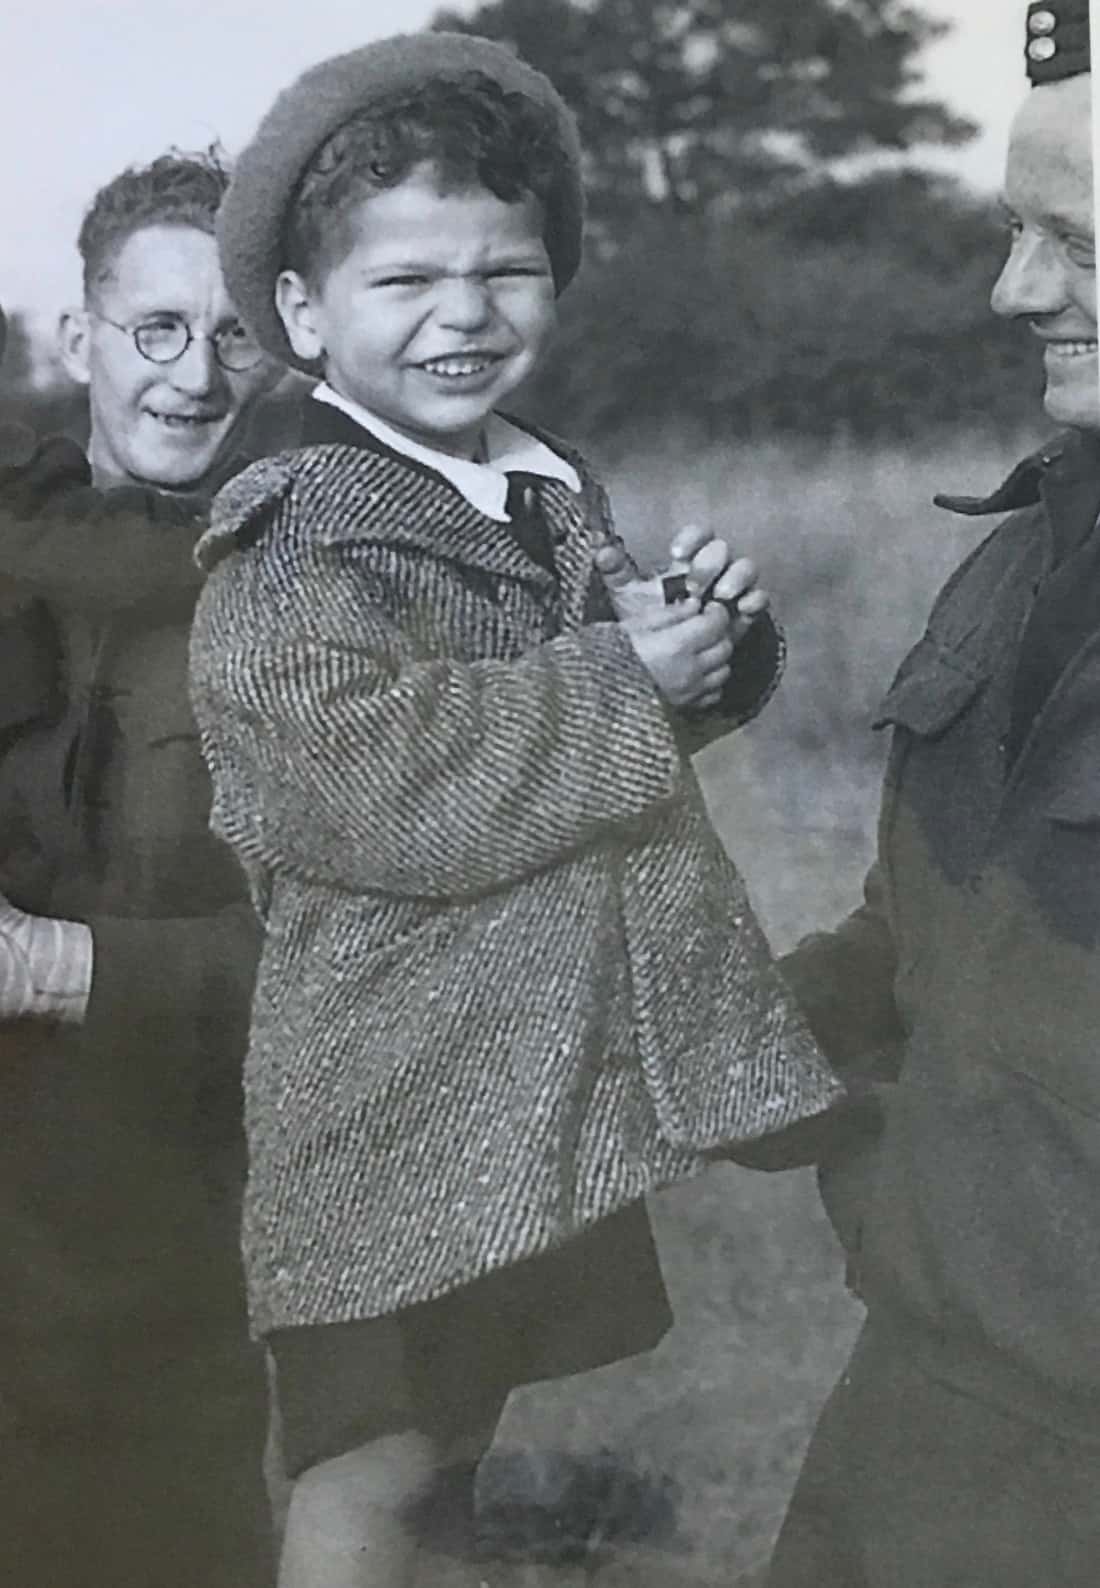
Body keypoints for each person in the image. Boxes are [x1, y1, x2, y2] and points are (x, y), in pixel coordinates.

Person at [188, 32, 844, 1588]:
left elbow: (610, 717)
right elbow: (379, 782)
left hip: (526, 1087)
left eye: (508, 271)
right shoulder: (296, 548)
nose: (465, 317)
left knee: (456, 1452)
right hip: (393, 1098)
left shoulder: (539, 490)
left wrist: (705, 648)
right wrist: (633, 687)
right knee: (370, 1464)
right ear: (302, 315)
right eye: (405, 284)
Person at [759, 4, 1100, 1582]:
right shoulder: (1022, 557)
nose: (1015, 290)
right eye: (1015, 234)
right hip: (921, 1406)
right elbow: (914, 953)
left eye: (1078, 245)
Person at [0, 151, 279, 1588]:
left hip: (186, 1217)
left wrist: (68, 967)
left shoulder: (321, 581)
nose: (193, 374)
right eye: (155, 330)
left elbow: (362, 941)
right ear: (78, 339)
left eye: (232, 334)